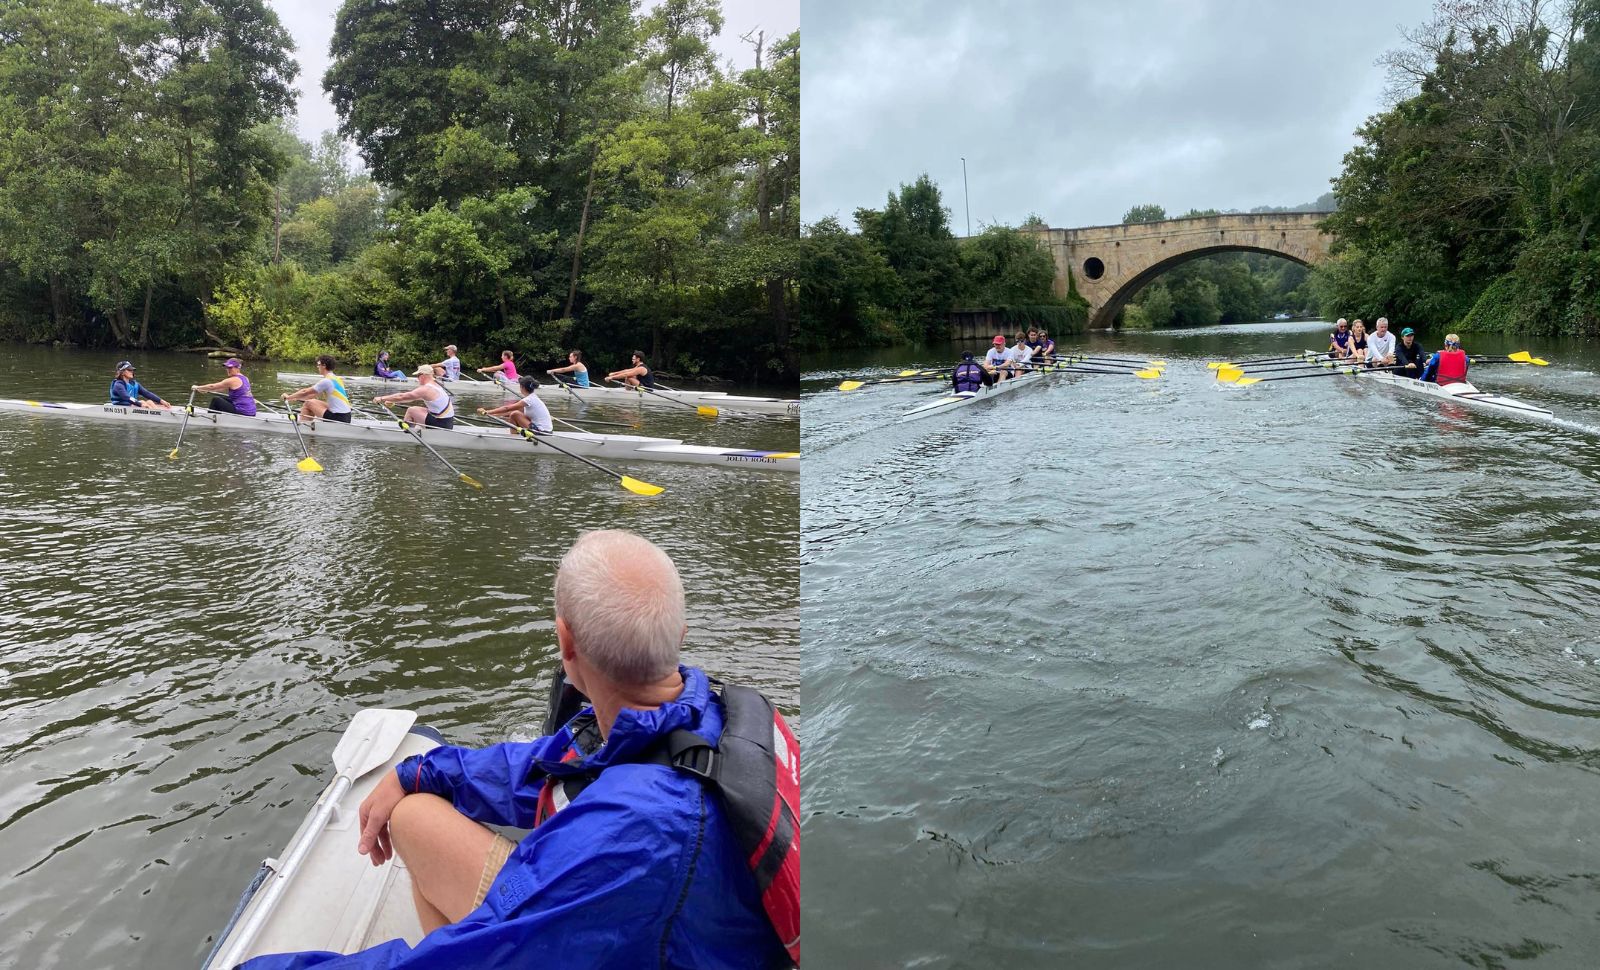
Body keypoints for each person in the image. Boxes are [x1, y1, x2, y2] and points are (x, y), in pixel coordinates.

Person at [237, 531, 794, 969]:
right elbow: (538, 771)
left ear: (565, 642)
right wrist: (416, 771)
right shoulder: (700, 714)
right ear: (679, 633)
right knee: (412, 813)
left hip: (659, 929)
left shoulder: (633, 829)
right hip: (678, 929)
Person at [376, 366, 456, 429]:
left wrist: (382, 398)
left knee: (411, 410)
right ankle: (415, 427)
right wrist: (393, 401)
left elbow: (402, 396)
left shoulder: (426, 389)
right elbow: (413, 398)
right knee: (417, 409)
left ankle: (406, 432)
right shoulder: (436, 384)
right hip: (448, 422)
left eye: (418, 375)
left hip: (442, 425)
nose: (417, 378)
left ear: (423, 375)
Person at [282, 355, 353, 424]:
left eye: (318, 364)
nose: (317, 366)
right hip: (347, 416)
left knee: (308, 403)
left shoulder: (326, 381)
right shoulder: (337, 379)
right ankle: (308, 423)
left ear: (324, 365)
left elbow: (305, 392)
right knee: (312, 401)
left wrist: (288, 397)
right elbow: (312, 395)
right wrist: (295, 398)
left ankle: (303, 426)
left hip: (338, 418)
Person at [479, 375, 554, 433]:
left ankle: (513, 437)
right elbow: (509, 412)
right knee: (515, 413)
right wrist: (493, 415)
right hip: (546, 430)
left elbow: (507, 408)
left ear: (522, 387)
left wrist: (487, 411)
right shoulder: (534, 398)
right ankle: (515, 434)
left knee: (515, 414)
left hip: (542, 432)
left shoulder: (529, 400)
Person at [192, 358, 258, 415]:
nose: (228, 370)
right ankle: (219, 414)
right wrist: (206, 390)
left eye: (230, 368)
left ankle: (211, 418)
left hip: (243, 412)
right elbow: (221, 388)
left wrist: (198, 387)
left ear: (238, 368)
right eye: (227, 367)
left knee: (216, 400)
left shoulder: (232, 380)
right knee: (222, 398)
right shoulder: (245, 378)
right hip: (251, 411)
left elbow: (212, 386)